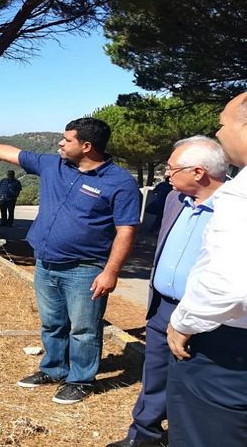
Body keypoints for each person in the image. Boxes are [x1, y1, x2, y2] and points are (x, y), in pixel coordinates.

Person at [0, 117, 141, 404]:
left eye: (67, 139)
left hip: (85, 268)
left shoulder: (119, 183)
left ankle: (81, 380)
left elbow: (126, 230)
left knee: (84, 329)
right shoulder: (53, 165)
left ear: (87, 146)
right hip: (46, 263)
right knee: (52, 323)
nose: (60, 143)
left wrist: (111, 272)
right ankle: (54, 369)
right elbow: (9, 152)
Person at [106, 136, 226, 447]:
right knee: (154, 375)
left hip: (205, 314)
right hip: (161, 308)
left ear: (198, 172)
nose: (166, 175)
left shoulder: (234, 209)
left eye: (171, 169)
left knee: (194, 386)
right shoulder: (175, 200)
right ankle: (144, 436)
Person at [166, 93, 247, 447]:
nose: (219, 132)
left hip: (226, 349)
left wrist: (184, 322)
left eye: (223, 122)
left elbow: (229, 285)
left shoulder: (239, 196)